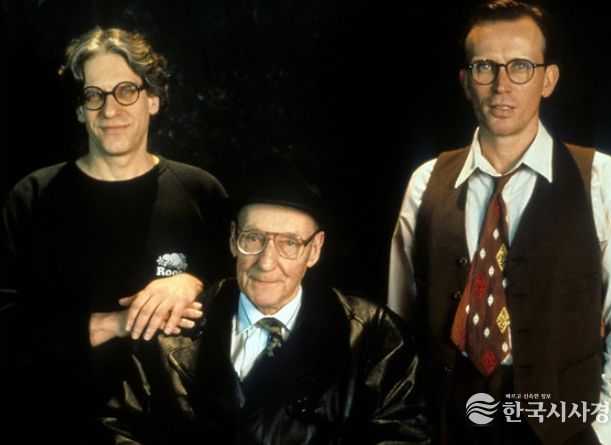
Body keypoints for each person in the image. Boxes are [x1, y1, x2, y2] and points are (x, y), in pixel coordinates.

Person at [388, 1, 611, 444]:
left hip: (565, 428)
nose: (501, 85)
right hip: (448, 426)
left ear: (549, 80)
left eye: (521, 67)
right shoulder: (425, 182)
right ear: (465, 81)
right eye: (485, 67)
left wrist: (603, 433)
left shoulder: (603, 181)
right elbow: (397, 326)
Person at [1, 27, 229, 440]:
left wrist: (192, 281)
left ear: (153, 99)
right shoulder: (32, 197)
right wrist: (116, 323)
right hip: (52, 420)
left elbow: (242, 302)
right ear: (80, 110)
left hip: (174, 428)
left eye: (126, 91)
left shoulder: (202, 192)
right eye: (95, 95)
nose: (110, 110)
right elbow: (7, 326)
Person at [100, 162, 431, 444]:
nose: (266, 262)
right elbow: (120, 429)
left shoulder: (374, 335)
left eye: (289, 243)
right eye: (253, 239)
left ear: (314, 250)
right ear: (233, 239)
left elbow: (404, 435)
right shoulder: (172, 327)